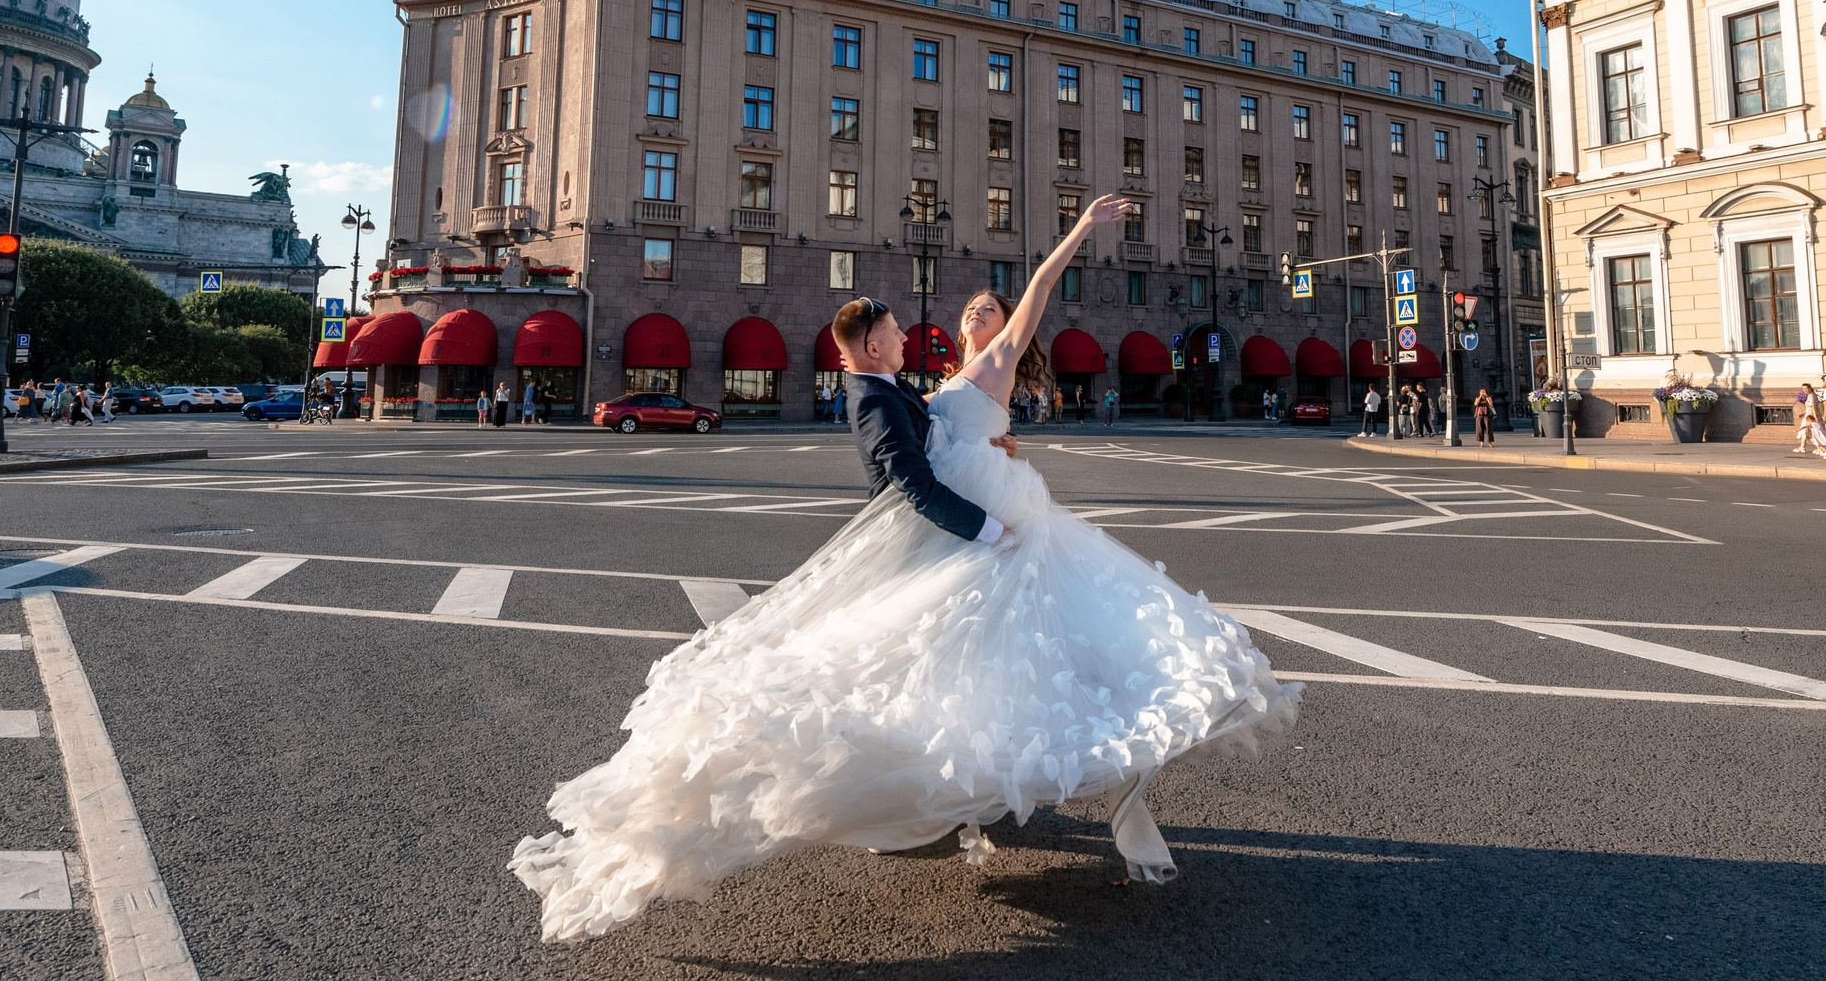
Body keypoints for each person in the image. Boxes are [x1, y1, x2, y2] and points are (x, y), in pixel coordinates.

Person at [511, 193, 1298, 943]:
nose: (979, 312)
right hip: (954, 530)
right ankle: (958, 785)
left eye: (989, 308)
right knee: (943, 653)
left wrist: (1083, 228)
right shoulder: (932, 385)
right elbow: (927, 449)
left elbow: (1038, 288)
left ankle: (983, 783)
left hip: (990, 524)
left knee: (1002, 651)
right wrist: (990, 447)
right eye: (971, 308)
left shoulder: (994, 360)